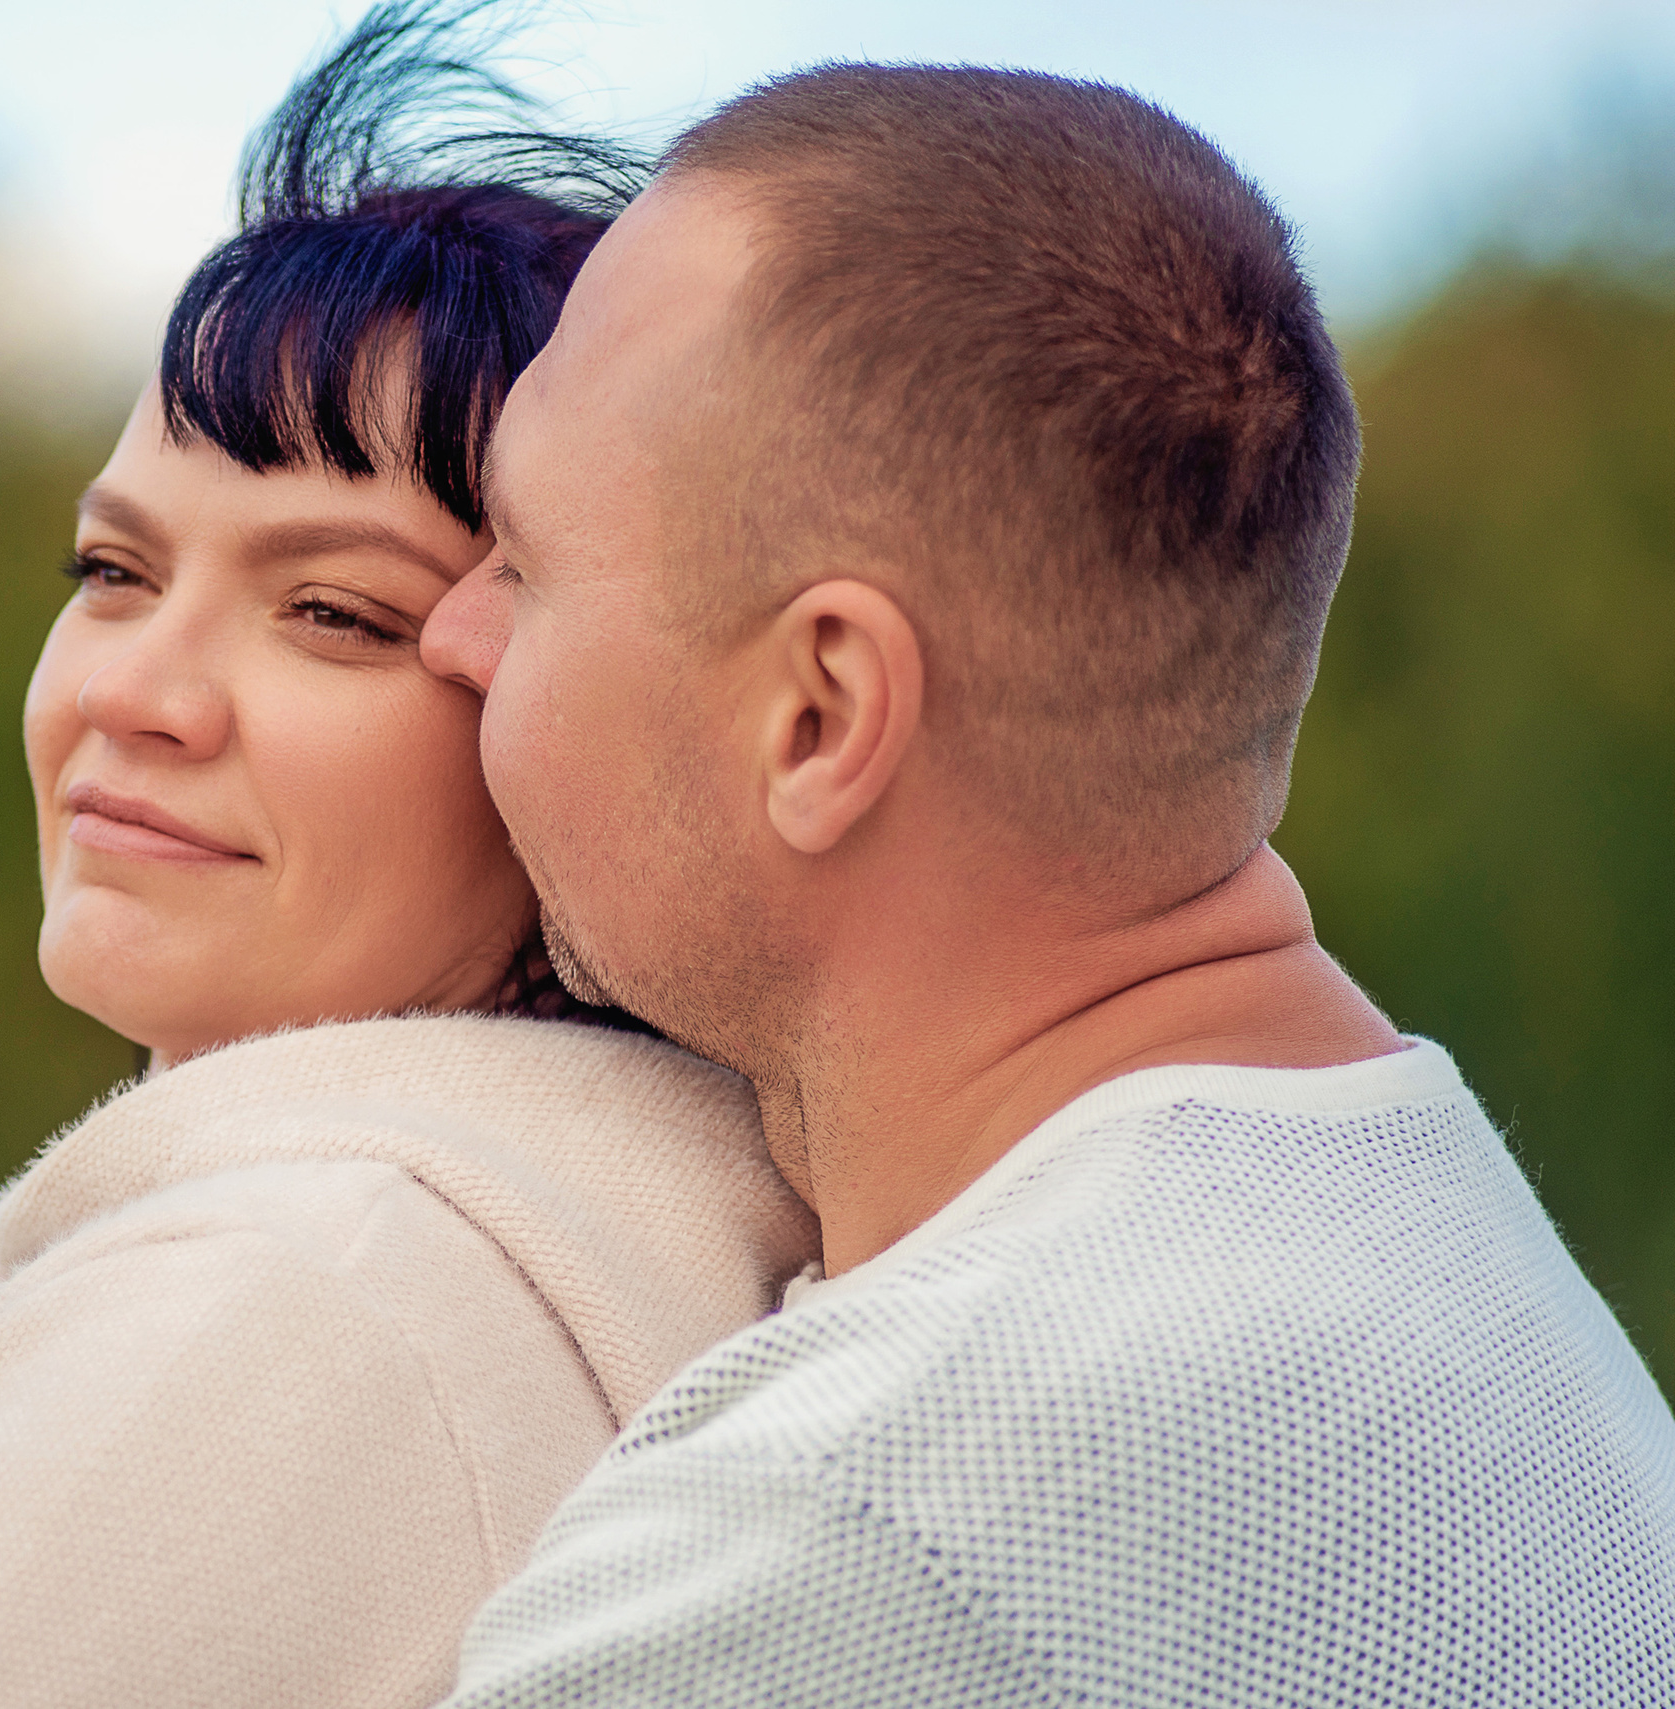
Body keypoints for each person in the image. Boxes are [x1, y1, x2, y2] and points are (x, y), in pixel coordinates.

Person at [0, 11, 817, 1709]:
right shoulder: (602, 1269)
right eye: (113, 569)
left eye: (336, 612)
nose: (134, 693)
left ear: (595, 730)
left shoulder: (301, 1304)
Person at [421, 63, 1675, 1706]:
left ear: (821, 716)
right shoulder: (1442, 1249)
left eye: (522, 560)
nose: (454, 636)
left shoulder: (847, 1523)